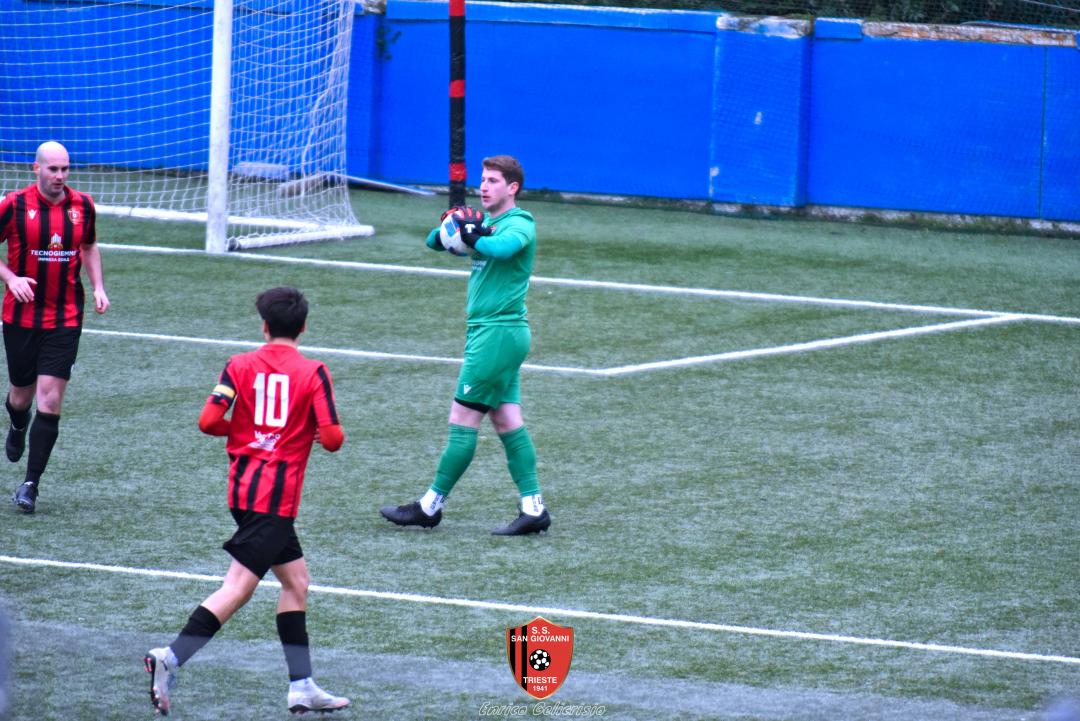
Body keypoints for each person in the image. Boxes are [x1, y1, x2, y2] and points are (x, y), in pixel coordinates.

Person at [144, 287, 349, 716]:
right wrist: (302, 432)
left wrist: (247, 430)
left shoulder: (238, 365)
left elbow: (208, 422)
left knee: (297, 583)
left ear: (264, 326)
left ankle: (302, 686)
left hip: (243, 494)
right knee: (237, 588)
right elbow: (332, 439)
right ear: (304, 327)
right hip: (275, 500)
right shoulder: (314, 372)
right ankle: (171, 657)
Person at [380, 155, 550, 536]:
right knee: (507, 420)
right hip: (494, 336)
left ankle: (429, 506)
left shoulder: (520, 222)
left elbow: (502, 249)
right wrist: (452, 222)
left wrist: (473, 236)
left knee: (463, 419)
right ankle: (533, 508)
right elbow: (433, 242)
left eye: (493, 181)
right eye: (482, 180)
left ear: (513, 188)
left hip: (497, 335)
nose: (483, 187)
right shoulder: (484, 223)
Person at [0, 141, 109, 514]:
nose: (60, 175)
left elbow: (89, 247)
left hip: (65, 318)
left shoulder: (83, 206)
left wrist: (98, 287)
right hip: (21, 317)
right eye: (53, 169)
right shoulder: (14, 205)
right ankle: (17, 425)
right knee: (21, 396)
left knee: (49, 398)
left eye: (65, 168)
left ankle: (30, 484)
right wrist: (11, 278)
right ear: (37, 169)